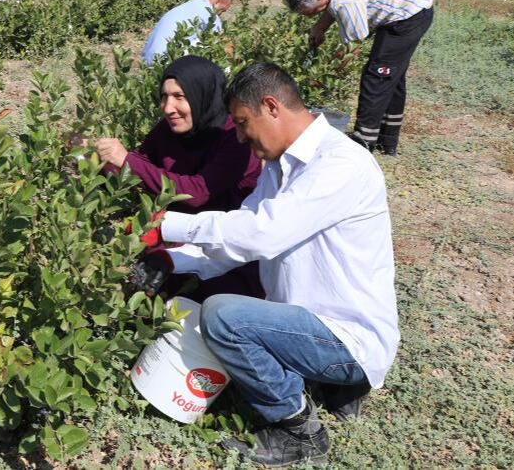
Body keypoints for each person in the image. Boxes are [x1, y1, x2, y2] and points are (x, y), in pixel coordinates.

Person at [133, 62, 398, 466]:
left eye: (242, 123)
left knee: (225, 316)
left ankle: (298, 430)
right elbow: (238, 245)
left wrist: (168, 223)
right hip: (306, 327)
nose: (239, 136)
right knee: (229, 307)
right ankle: (330, 385)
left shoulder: (341, 164)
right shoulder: (277, 169)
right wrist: (170, 259)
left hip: (348, 339)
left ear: (271, 107)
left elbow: (261, 233)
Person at [94, 55, 263, 301]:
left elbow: (197, 193)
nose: (167, 107)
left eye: (179, 97)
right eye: (164, 96)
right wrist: (96, 159)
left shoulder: (234, 138)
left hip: (225, 256)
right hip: (173, 243)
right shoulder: (168, 129)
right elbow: (138, 171)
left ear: (202, 94)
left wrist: (126, 160)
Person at [284, 0, 434, 155]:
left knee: (377, 76)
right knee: (392, 76)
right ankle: (388, 142)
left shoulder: (347, 1)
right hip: (402, 1)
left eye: (309, 12)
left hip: (409, 14)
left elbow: (352, 47)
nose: (308, 16)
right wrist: (320, 27)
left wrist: (328, 72)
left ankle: (363, 142)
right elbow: (330, 2)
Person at [141, 0, 232, 64]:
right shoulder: (211, 16)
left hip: (147, 60)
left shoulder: (188, 5)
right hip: (166, 61)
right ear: (216, 2)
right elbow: (223, 46)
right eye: (222, 11)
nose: (220, 15)